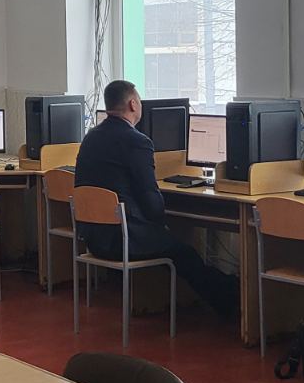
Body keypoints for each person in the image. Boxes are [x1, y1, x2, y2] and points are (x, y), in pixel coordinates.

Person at [73, 81, 239, 316]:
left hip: (94, 238)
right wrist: (163, 222)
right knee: (185, 253)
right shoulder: (137, 141)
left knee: (175, 247)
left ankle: (223, 297)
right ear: (133, 104)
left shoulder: (90, 137)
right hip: (124, 240)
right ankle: (230, 301)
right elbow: (150, 198)